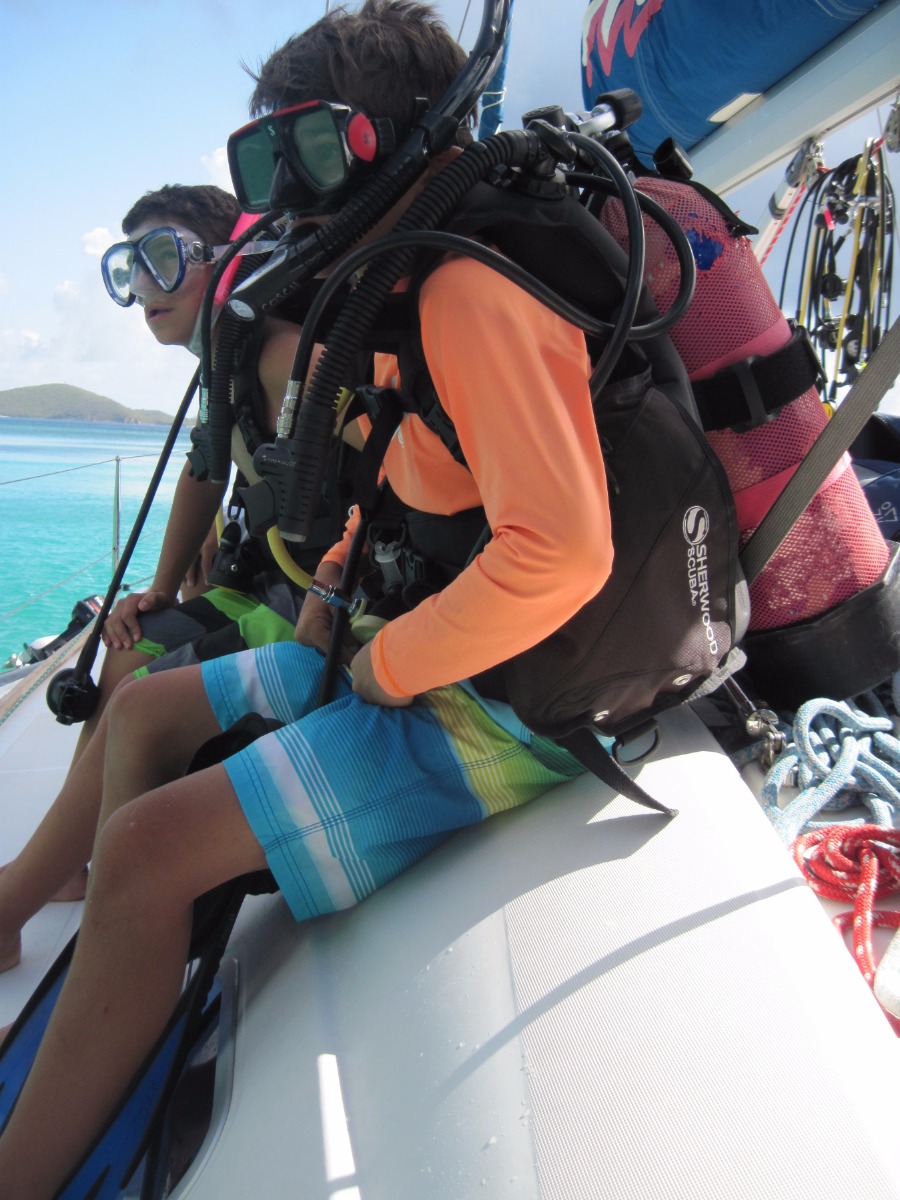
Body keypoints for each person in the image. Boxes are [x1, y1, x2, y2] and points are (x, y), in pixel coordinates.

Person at [0, 3, 612, 1194]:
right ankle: (122, 973)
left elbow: (562, 554)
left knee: (147, 846)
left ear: (398, 142)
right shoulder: (403, 286)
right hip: (422, 638)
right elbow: (421, 482)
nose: (288, 198)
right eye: (266, 163)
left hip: (512, 699)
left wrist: (380, 666)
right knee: (140, 709)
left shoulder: (467, 288)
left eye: (310, 156)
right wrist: (339, 589)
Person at [0, 184, 349, 970]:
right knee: (128, 646)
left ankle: (15, 909)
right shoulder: (226, 360)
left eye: (163, 257)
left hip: (311, 606)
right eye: (129, 268)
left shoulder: (283, 356)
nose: (143, 288)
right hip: (264, 588)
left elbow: (382, 462)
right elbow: (203, 468)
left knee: (143, 689)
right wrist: (160, 586)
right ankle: (75, 861)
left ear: (231, 258)